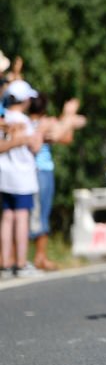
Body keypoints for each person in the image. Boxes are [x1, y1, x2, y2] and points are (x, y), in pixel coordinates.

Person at [27, 93, 86, 270]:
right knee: (41, 213)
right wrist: (68, 115)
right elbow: (65, 137)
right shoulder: (46, 123)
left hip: (26, 173)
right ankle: (39, 256)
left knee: (25, 214)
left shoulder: (23, 122)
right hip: (42, 171)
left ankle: (21, 256)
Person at [0, 80, 43, 276]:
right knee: (22, 218)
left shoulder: (3, 118)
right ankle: (21, 262)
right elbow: (35, 147)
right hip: (22, 177)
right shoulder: (24, 122)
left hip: (4, 175)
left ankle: (6, 263)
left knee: (7, 218)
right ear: (25, 100)